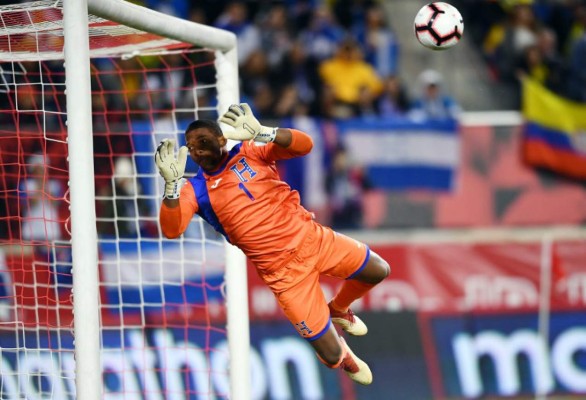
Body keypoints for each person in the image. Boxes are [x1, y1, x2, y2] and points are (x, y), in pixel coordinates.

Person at [155, 103, 390, 385]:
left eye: (203, 142)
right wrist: (170, 187)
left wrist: (265, 132)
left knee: (378, 269)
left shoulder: (250, 151)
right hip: (284, 275)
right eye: (191, 148)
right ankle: (346, 357)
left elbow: (305, 145)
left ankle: (338, 309)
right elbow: (172, 229)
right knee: (329, 356)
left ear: (221, 139)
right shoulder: (196, 189)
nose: (198, 151)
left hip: (311, 239)